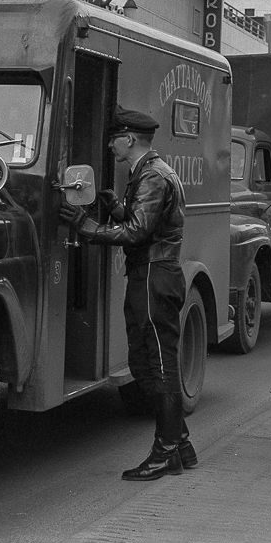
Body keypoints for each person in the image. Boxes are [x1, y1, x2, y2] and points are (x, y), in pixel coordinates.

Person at [59, 105, 194, 481]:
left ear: (129, 139)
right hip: (155, 275)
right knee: (147, 362)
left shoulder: (150, 176)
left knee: (156, 364)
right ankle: (179, 443)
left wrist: (85, 226)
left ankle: (166, 451)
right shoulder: (152, 171)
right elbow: (144, 222)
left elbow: (136, 234)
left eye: (114, 138)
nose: (109, 145)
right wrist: (115, 207)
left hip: (152, 276)